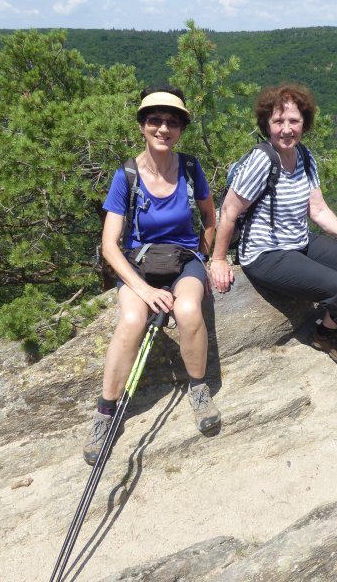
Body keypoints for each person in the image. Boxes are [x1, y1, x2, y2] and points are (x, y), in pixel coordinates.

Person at [209, 83, 337, 374]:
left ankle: (326, 331)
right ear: (267, 125)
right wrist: (218, 259)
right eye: (278, 121)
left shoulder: (305, 157)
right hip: (266, 254)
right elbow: (230, 210)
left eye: (293, 121)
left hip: (299, 241)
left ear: (304, 123)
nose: (286, 129)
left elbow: (318, 208)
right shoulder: (262, 160)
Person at [84, 86, 221, 466]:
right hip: (141, 263)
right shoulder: (126, 175)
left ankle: (197, 389)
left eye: (172, 122)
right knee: (131, 319)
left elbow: (210, 216)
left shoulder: (191, 170)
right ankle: (105, 413)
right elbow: (110, 245)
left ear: (180, 129)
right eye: (155, 120)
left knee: (189, 310)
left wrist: (205, 256)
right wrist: (143, 290)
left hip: (185, 259)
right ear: (143, 126)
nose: (163, 128)